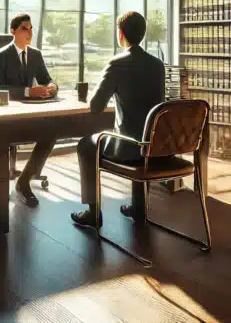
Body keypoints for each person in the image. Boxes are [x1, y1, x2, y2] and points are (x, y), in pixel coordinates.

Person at [71, 11, 165, 228]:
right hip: (155, 147)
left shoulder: (117, 64)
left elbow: (95, 106)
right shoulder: (157, 65)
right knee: (141, 136)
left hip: (129, 149)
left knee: (86, 145)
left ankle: (93, 213)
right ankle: (139, 207)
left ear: (120, 34)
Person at [0, 12, 58, 207]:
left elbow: (47, 79)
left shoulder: (35, 54)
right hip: (7, 116)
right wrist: (28, 91)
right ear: (13, 31)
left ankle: (23, 181)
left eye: (31, 29)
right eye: (24, 29)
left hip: (31, 113)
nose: (29, 33)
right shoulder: (0, 56)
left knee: (52, 133)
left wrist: (52, 87)